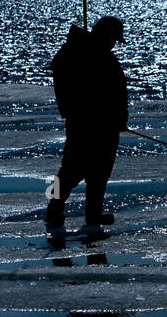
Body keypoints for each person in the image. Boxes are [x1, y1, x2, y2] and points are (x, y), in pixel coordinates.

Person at [45, 16, 128, 229]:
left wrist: (119, 119)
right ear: (104, 34)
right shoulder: (77, 53)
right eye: (113, 39)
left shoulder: (96, 54)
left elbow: (116, 92)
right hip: (87, 123)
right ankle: (53, 211)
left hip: (103, 124)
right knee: (69, 172)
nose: (113, 44)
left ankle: (93, 215)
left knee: (98, 175)